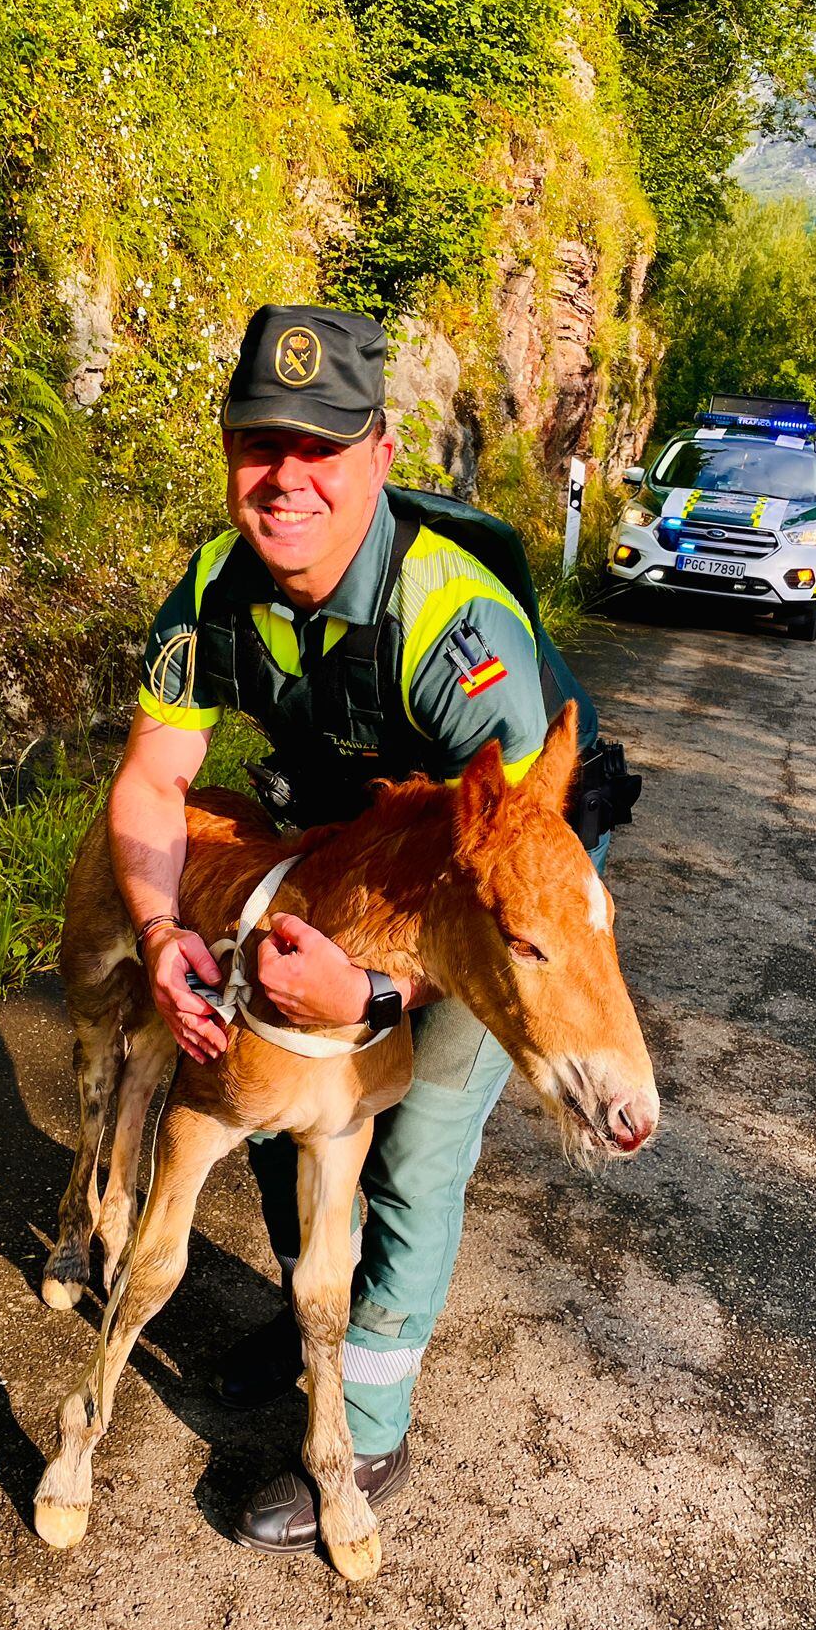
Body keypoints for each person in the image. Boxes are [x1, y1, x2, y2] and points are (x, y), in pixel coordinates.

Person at [107, 303, 606, 1554]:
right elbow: (155, 783)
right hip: (356, 849)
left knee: (415, 1130)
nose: (285, 480)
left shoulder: (455, 627)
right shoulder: (216, 589)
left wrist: (378, 1003)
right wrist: (165, 930)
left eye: (320, 448)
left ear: (380, 453)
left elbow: (512, 888)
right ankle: (303, 1302)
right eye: (258, 444)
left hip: (507, 879)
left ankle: (372, 1417)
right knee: (272, 1072)